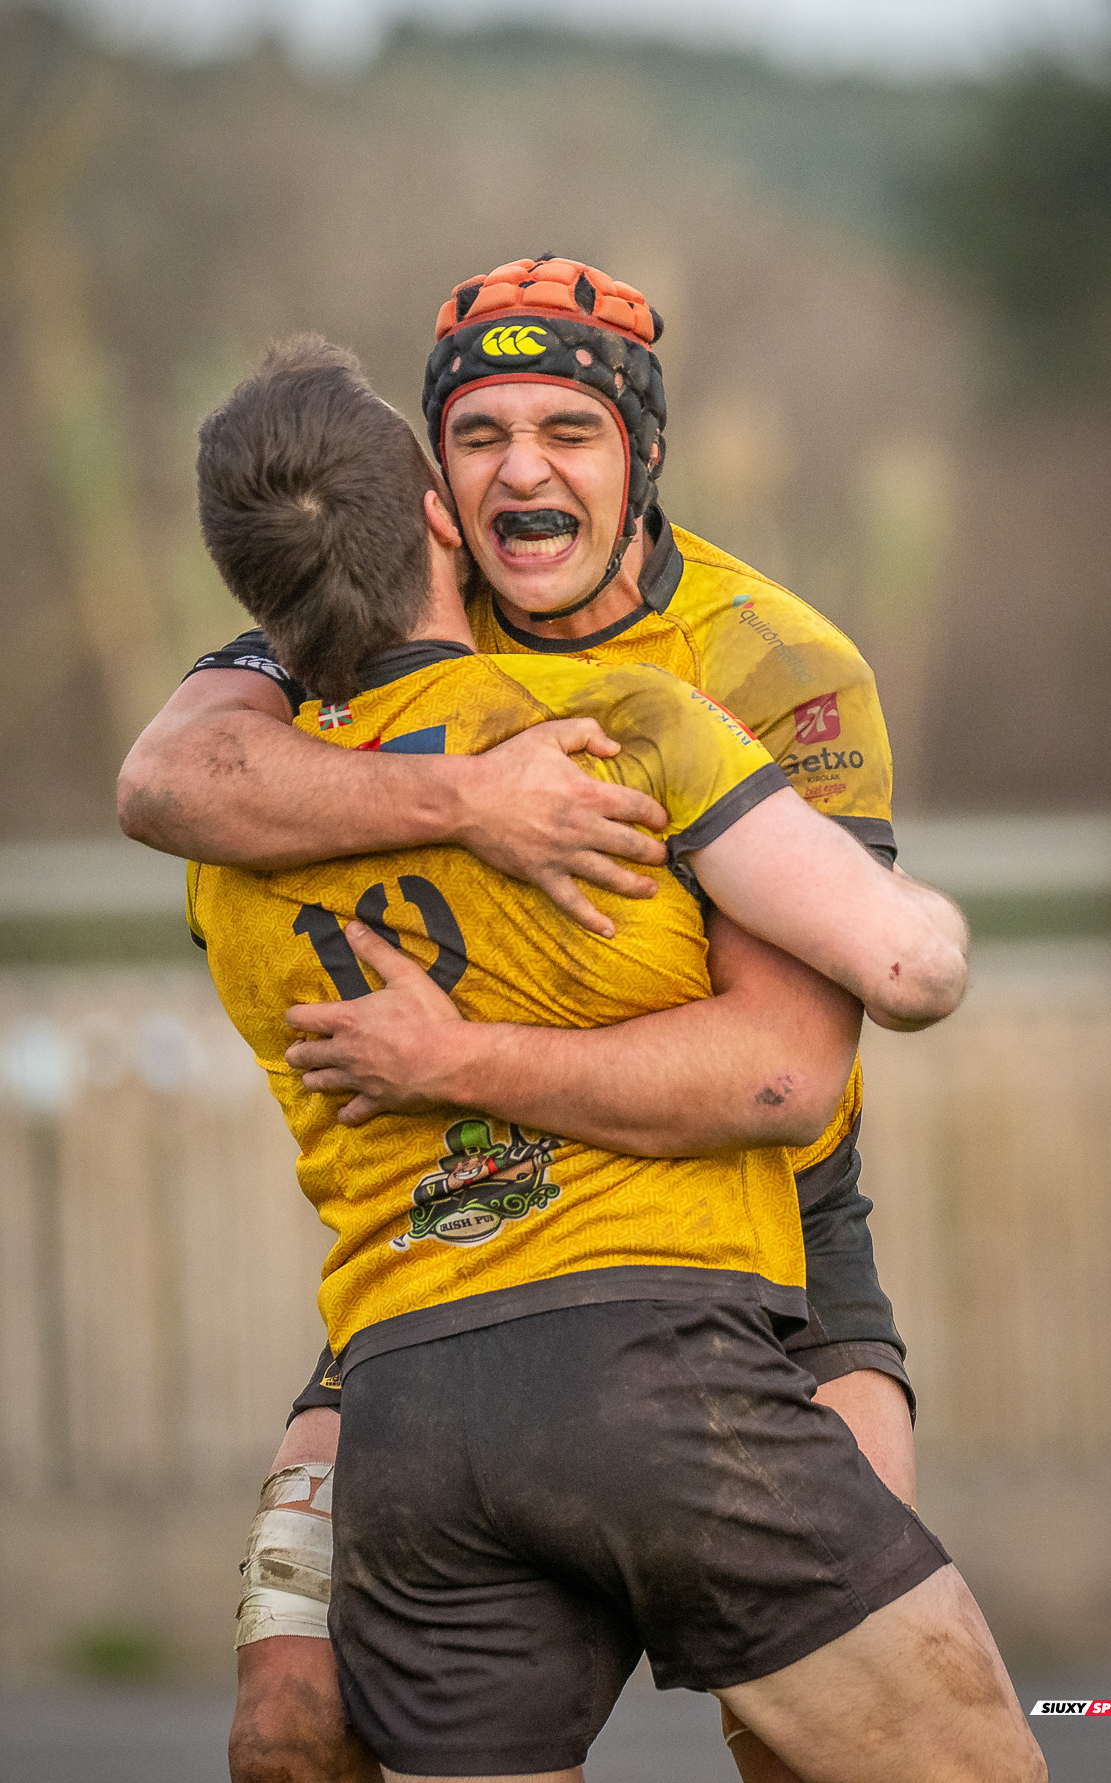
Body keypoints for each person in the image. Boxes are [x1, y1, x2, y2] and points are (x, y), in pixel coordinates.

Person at [116, 261, 944, 1782]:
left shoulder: (769, 660)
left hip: (764, 1229)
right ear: (433, 487)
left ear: (643, 452)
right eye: (480, 435)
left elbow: (789, 1067)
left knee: (816, 1742)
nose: (522, 471)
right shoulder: (378, 602)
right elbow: (163, 780)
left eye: (568, 429)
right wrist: (467, 796)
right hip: (453, 1236)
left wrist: (457, 1057)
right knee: (287, 1725)